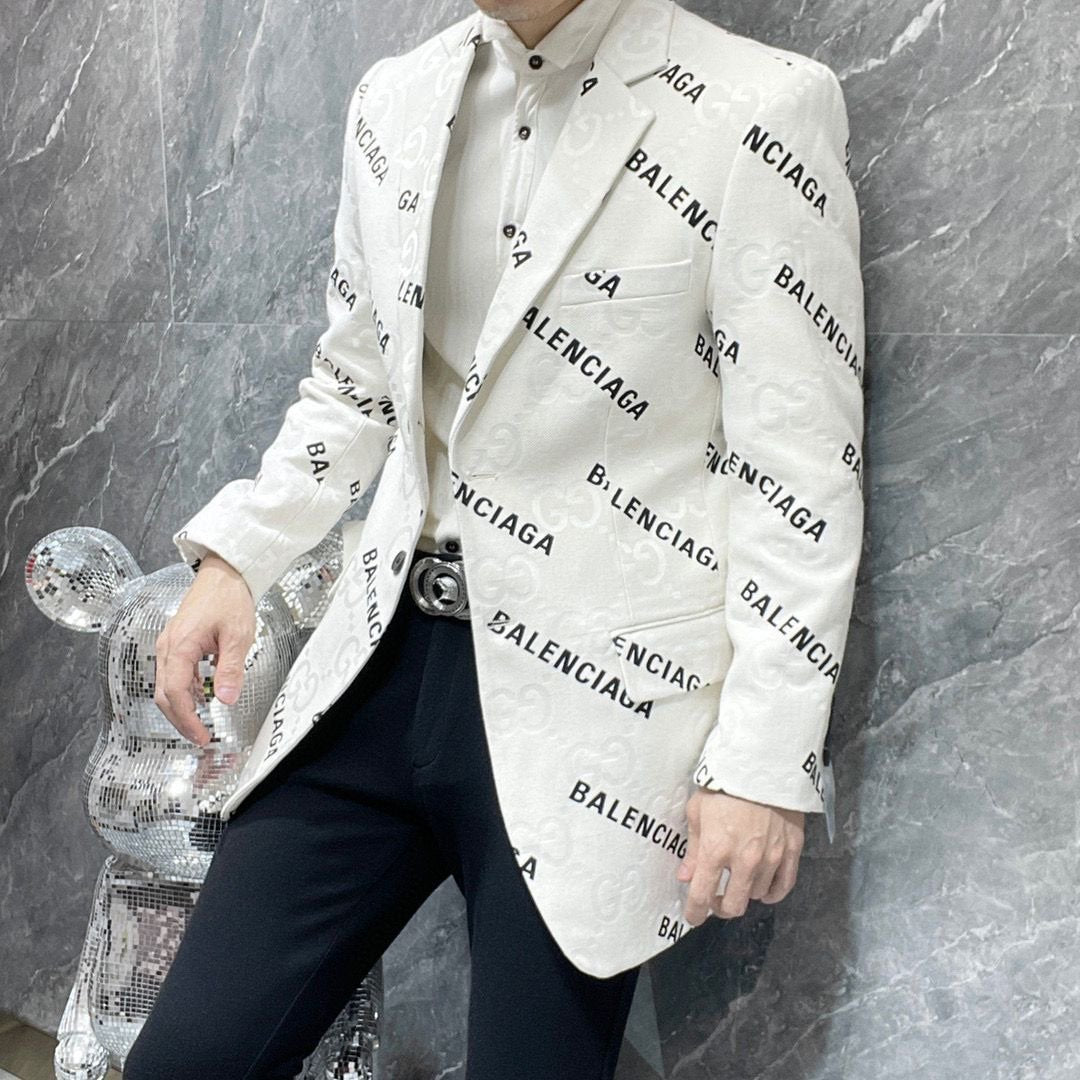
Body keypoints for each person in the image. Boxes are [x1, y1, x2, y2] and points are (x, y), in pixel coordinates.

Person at [128, 0, 865, 1076]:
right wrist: (243, 555)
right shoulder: (396, 96)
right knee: (188, 1060)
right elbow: (355, 380)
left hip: (601, 704)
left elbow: (798, 467)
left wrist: (763, 761)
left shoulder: (761, 105)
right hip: (374, 671)